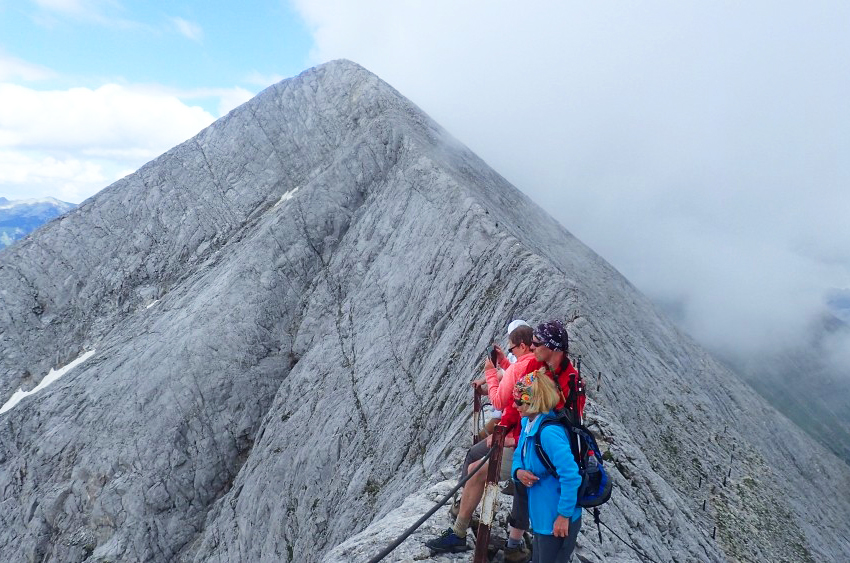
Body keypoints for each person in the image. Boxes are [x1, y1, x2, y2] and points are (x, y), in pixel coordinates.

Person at [425, 321, 540, 560]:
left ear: (521, 345)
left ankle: (459, 529)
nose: (510, 350)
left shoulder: (523, 367)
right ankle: (464, 514)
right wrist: (504, 363)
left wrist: (490, 370)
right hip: (521, 436)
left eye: (512, 347)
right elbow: (516, 381)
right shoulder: (530, 363)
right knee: (475, 459)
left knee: (476, 469)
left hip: (521, 442)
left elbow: (499, 400)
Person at [512, 370, 582, 563]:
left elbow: (571, 475)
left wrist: (564, 515)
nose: (514, 405)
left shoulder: (549, 433)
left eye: (519, 402)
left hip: (556, 520)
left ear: (535, 401)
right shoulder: (529, 423)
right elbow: (519, 456)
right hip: (543, 517)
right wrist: (518, 472)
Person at [531, 320, 584, 421]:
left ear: (551, 346)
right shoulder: (534, 364)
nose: (531, 347)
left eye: (536, 344)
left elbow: (572, 420)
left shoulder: (573, 383)